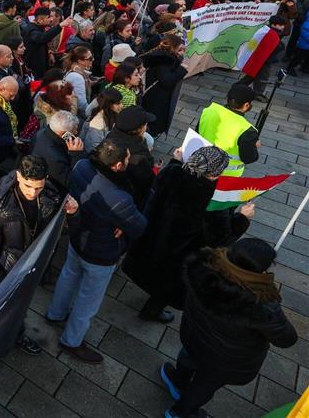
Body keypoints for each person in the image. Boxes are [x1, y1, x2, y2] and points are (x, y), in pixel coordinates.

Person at [160, 239, 297, 418]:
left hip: (194, 335)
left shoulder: (202, 267)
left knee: (189, 357)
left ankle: (178, 381)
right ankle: (181, 412)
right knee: (205, 384)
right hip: (224, 359)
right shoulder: (259, 304)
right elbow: (286, 339)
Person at [123, 146, 254, 325]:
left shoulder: (173, 172)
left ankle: (152, 306)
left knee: (150, 272)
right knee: (166, 286)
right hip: (179, 255)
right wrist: (243, 218)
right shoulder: (214, 200)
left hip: (153, 240)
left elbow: (158, 185)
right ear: (216, 173)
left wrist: (176, 161)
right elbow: (221, 238)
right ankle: (152, 311)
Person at [46, 138, 147, 363]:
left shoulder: (82, 166)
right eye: (127, 158)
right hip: (100, 253)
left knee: (68, 275)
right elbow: (139, 226)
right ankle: (71, 340)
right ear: (117, 166)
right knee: (88, 299)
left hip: (77, 238)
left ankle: (55, 313)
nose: (129, 160)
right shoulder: (119, 199)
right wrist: (123, 222)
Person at [0, 155, 73, 379]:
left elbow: (61, 228)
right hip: (7, 273)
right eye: (28, 186)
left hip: (32, 267)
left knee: (19, 310)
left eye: (38, 187)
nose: (32, 192)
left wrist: (73, 212)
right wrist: (0, 279)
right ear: (19, 176)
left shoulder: (50, 194)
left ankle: (18, 334)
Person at [197, 84, 260, 178]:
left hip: (199, 165)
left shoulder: (209, 110)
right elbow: (249, 158)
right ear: (246, 105)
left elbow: (197, 132)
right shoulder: (248, 130)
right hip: (225, 177)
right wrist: (254, 145)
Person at [140, 35, 189, 136]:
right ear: (174, 48)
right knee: (154, 124)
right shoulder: (164, 61)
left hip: (155, 97)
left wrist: (179, 57)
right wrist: (182, 69)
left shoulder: (162, 56)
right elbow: (166, 81)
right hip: (157, 99)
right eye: (179, 48)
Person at [30, 110, 86, 196]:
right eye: (74, 130)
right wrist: (76, 154)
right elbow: (71, 182)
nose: (76, 132)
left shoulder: (43, 132)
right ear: (64, 134)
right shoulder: (55, 159)